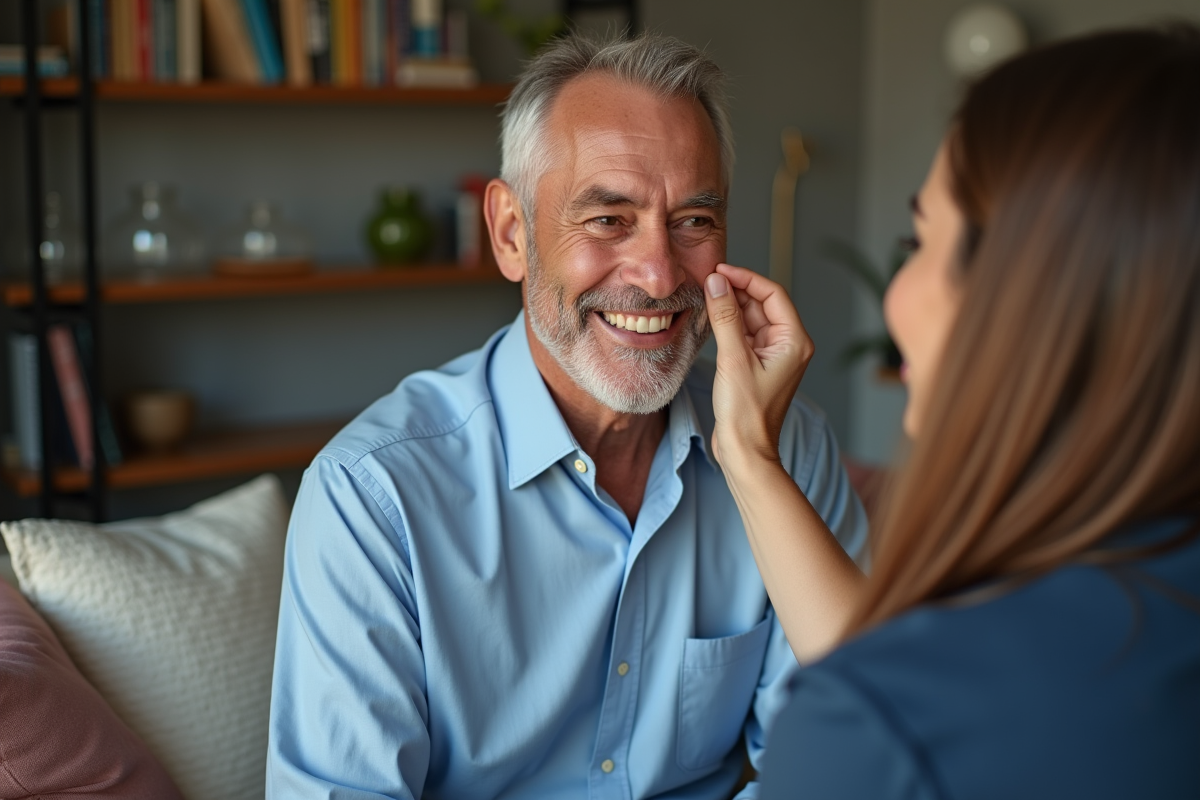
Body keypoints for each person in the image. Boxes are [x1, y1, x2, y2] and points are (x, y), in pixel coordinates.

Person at [266, 33, 868, 800]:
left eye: (692, 221)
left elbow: (854, 754)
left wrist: (753, 461)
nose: (657, 276)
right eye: (609, 220)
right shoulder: (373, 496)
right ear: (512, 234)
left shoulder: (788, 449)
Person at [700, 25, 1200, 799]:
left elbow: (899, 724)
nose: (895, 292)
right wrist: (747, 452)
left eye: (918, 239)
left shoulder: (890, 725)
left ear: (1026, 297)